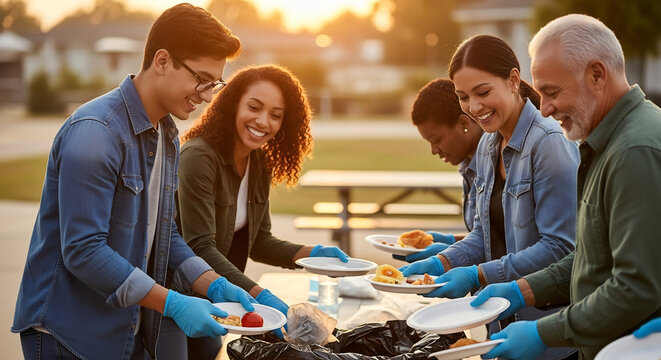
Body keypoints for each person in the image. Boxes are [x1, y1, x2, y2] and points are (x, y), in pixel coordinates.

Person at [11, 4, 257, 360]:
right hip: (67, 336)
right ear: (161, 61)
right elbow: (83, 250)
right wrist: (173, 303)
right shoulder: (97, 133)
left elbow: (164, 234)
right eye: (201, 79)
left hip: (119, 334)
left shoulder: (167, 135)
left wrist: (216, 284)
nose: (206, 95)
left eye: (214, 84)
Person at [471, 14, 661, 360]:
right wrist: (522, 289)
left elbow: (636, 287)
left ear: (597, 75)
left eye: (552, 92)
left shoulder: (634, 151)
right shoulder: (608, 142)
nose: (544, 109)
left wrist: (544, 332)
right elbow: (593, 256)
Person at [399, 34, 579, 360]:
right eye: (463, 97)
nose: (474, 107)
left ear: (513, 79)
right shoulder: (487, 144)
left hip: (547, 332)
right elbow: (483, 234)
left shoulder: (549, 142)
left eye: (483, 92)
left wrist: (478, 274)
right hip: (497, 323)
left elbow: (561, 247)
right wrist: (444, 261)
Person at [174, 64, 349, 358]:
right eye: (254, 107)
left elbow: (259, 242)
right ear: (231, 105)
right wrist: (260, 296)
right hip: (180, 303)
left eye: (276, 115)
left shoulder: (259, 163)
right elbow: (200, 246)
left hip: (219, 304)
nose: (263, 121)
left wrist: (312, 252)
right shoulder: (198, 157)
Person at [393, 78, 484, 263]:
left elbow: (505, 245)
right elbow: (487, 239)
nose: (434, 150)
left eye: (437, 139)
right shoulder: (469, 167)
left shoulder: (494, 166)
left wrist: (449, 255)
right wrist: (451, 242)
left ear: (464, 124)